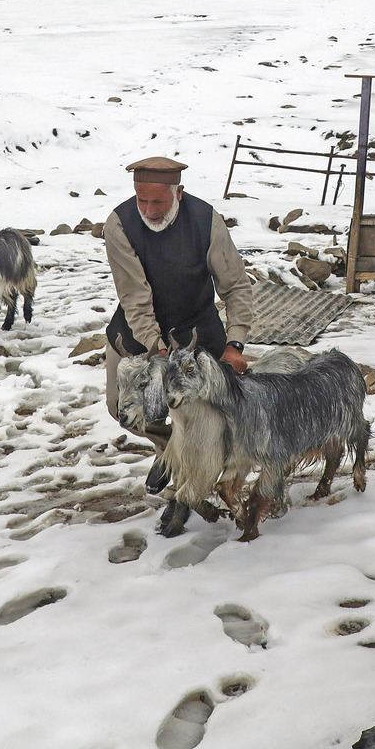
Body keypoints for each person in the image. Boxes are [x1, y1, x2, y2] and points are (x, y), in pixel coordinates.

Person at [103, 155, 254, 535]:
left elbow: (236, 286)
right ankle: (171, 455)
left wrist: (235, 343)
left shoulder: (206, 222)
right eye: (142, 201)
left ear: (179, 194)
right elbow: (135, 297)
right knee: (129, 411)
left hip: (198, 336)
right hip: (138, 336)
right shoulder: (119, 225)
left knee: (201, 421)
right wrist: (157, 351)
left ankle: (181, 492)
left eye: (158, 202)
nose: (149, 211)